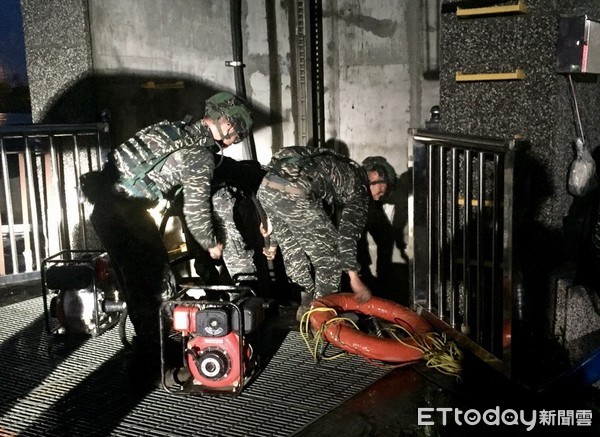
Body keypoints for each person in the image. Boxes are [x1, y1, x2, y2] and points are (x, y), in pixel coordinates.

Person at [79, 91, 258, 385]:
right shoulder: (200, 153)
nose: (234, 141)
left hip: (107, 212)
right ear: (226, 124)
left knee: (138, 290)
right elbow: (197, 208)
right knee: (156, 290)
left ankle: (151, 357)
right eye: (236, 135)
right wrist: (212, 242)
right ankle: (151, 366)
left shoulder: (175, 130)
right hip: (127, 215)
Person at [257, 146, 395, 320]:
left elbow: (282, 192)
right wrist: (354, 279)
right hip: (296, 193)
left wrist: (273, 243)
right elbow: (346, 237)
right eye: (382, 190)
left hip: (266, 188)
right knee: (331, 260)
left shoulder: (339, 164)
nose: (379, 196)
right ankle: (321, 319)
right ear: (374, 176)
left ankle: (306, 306)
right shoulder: (359, 187)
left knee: (294, 254)